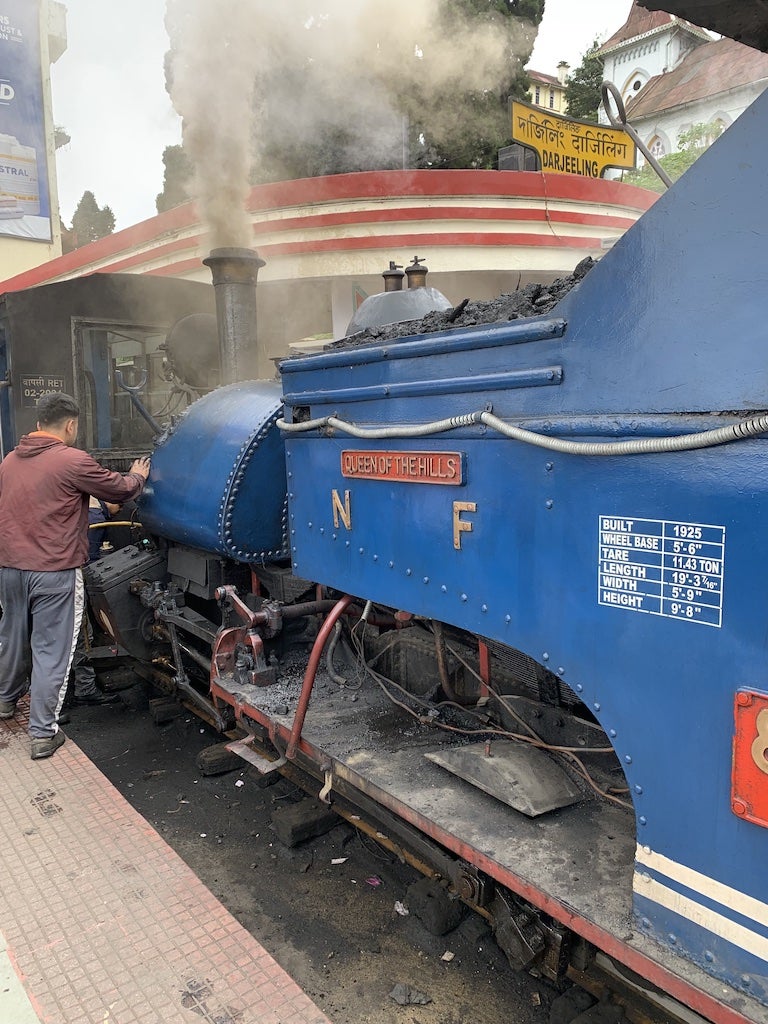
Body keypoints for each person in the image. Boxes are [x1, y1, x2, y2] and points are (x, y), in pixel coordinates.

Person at [0, 392, 150, 759]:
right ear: (70, 425)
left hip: (10, 569)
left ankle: (4, 701)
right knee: (53, 648)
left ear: (38, 424)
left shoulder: (9, 461)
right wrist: (138, 475)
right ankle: (43, 733)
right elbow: (119, 489)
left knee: (13, 637)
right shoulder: (71, 460)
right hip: (54, 571)